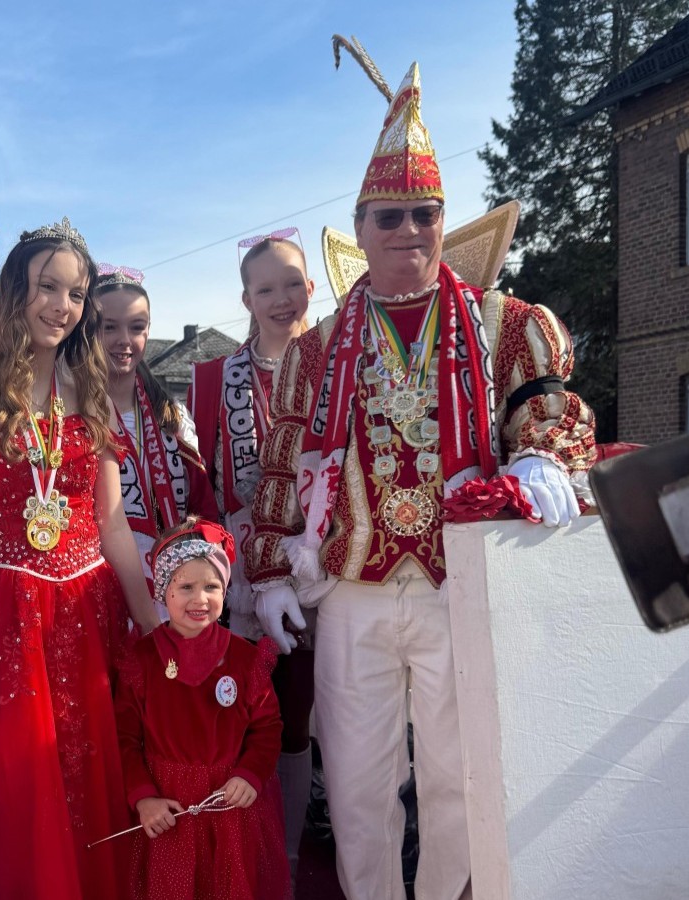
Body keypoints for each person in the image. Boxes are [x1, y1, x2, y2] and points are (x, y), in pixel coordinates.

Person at [246, 45, 596, 900]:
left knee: (459, 781)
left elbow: (550, 405)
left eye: (424, 213)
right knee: (361, 791)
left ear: (446, 222)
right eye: (389, 216)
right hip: (354, 592)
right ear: (359, 231)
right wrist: (265, 571)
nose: (408, 231)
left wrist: (543, 455)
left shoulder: (502, 322)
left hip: (459, 585)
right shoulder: (321, 347)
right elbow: (281, 464)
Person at [0, 218, 159, 900]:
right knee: (15, 794)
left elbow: (112, 525)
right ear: (15, 292)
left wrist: (152, 626)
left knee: (92, 792)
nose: (63, 305)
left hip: (88, 623)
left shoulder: (94, 401)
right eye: (47, 286)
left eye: (77, 292)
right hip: (7, 626)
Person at [188, 230, 315, 876]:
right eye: (266, 288)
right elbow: (199, 487)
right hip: (242, 578)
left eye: (292, 283)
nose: (281, 299)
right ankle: (245, 865)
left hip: (329, 564)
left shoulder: (337, 367)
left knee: (308, 724)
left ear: (312, 289)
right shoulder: (213, 379)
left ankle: (291, 859)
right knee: (246, 725)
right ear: (245, 297)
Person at [115, 517, 290, 899]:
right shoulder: (142, 660)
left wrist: (250, 774)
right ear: (164, 590)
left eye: (212, 586)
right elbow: (124, 738)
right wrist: (143, 797)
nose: (200, 599)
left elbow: (268, 727)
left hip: (229, 808)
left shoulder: (246, 659)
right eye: (186, 587)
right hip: (167, 811)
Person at [96, 265, 216, 613]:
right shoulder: (75, 414)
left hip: (175, 591)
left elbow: (202, 506)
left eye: (136, 327)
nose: (124, 340)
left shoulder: (172, 417)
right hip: (106, 591)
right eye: (109, 328)